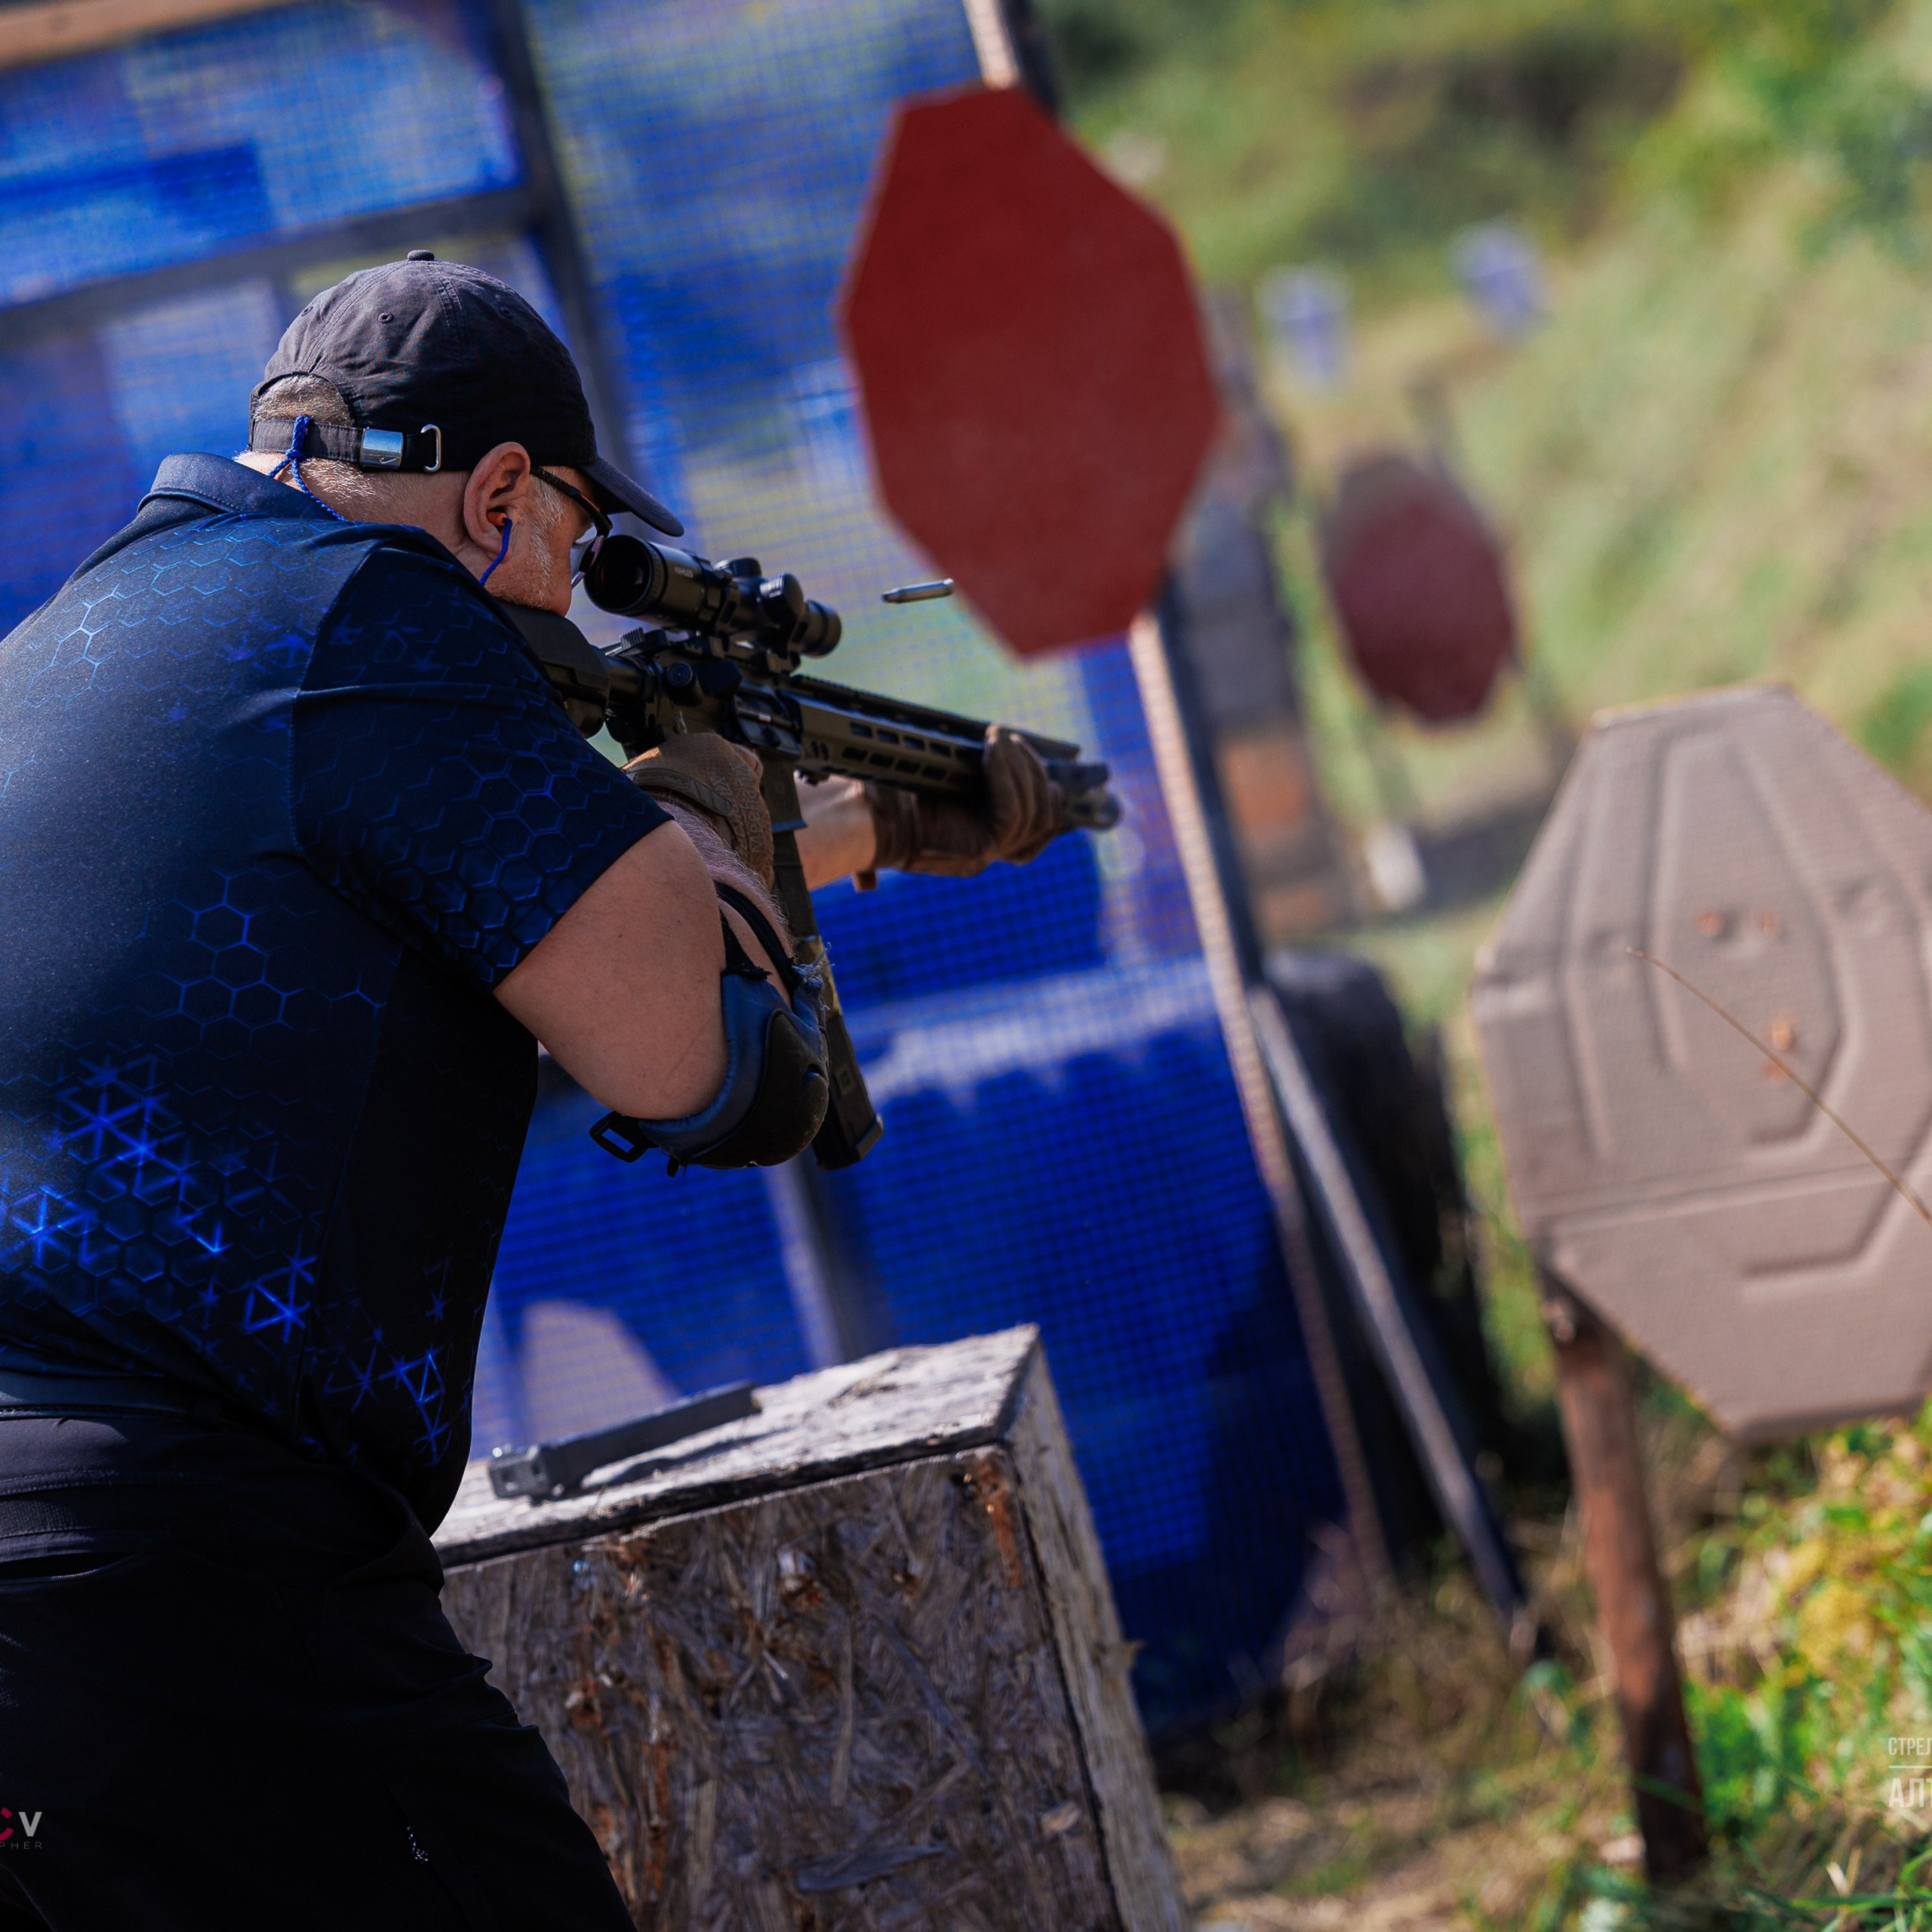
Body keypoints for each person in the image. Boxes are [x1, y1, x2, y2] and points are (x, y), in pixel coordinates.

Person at [0, 253, 1065, 1929]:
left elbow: (423, 930)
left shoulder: (69, 642)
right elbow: (717, 1073)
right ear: (498, 498)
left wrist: (831, 830)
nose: (573, 601)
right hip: (189, 1562)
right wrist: (703, 808)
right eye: (576, 541)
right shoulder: (379, 616)